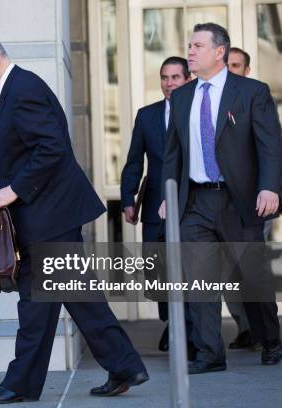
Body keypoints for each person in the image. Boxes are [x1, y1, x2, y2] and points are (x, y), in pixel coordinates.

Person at [0, 36, 148, 404]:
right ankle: (122, 365)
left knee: (47, 301)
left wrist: (13, 190)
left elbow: (51, 147)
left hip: (50, 216)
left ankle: (23, 384)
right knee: (59, 301)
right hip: (44, 216)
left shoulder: (23, 88)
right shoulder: (13, 89)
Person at [160, 23, 282, 374]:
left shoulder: (251, 92)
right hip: (195, 202)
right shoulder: (182, 96)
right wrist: (170, 193)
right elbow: (173, 153)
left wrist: (269, 186)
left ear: (219, 52)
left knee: (251, 276)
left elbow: (270, 145)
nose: (191, 51)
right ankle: (210, 353)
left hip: (238, 199)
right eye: (189, 45)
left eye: (198, 45)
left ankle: (271, 340)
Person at [120, 56, 191, 352]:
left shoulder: (197, 112)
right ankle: (172, 322)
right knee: (157, 273)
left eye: (176, 77)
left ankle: (186, 330)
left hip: (190, 203)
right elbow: (134, 160)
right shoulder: (146, 115)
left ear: (188, 79)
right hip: (152, 208)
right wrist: (127, 199)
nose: (170, 83)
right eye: (165, 77)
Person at [224, 46, 260, 350]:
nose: (231, 69)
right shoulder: (207, 101)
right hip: (215, 202)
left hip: (251, 202)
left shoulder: (254, 98)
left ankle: (263, 330)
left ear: (246, 70)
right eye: (228, 64)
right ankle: (245, 327)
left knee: (249, 266)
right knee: (226, 271)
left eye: (237, 65)